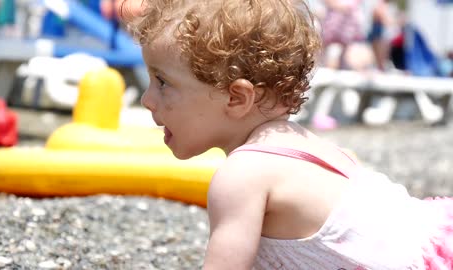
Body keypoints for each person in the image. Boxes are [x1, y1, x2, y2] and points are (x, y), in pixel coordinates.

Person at [119, 0, 453, 269]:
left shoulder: (241, 175)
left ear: (237, 97)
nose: (148, 99)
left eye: (163, 82)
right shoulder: (303, 142)